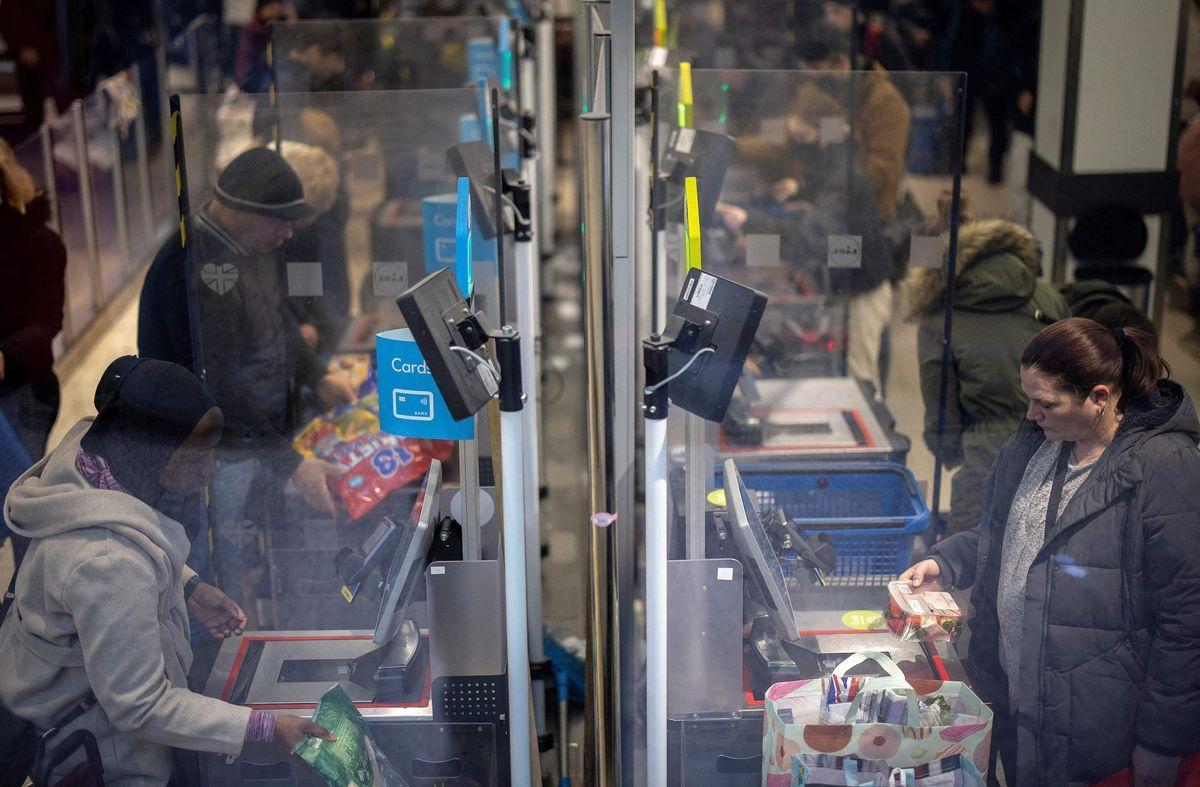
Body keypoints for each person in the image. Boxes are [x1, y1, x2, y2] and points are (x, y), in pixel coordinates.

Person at [0, 356, 334, 783]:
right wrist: (264, 728)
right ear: (151, 450)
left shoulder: (93, 455)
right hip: (110, 762)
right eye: (196, 456)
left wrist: (187, 584)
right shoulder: (106, 564)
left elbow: (121, 536)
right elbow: (141, 705)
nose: (209, 471)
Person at [902, 318, 1200, 785]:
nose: (1030, 413)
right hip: (1022, 704)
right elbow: (1010, 533)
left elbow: (1187, 620)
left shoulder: (1164, 468)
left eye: (1045, 402)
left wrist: (1163, 743)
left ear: (1100, 397)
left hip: (1100, 729)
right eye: (1028, 398)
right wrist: (948, 560)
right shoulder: (1040, 445)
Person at [139, 146, 356, 607]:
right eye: (280, 221)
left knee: (248, 555)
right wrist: (291, 462)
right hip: (212, 454)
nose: (288, 233)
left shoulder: (250, 246)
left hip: (251, 440)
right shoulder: (194, 268)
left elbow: (277, 317)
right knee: (221, 573)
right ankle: (220, 658)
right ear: (243, 211)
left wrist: (317, 375)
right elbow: (216, 387)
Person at [905, 218, 1067, 534]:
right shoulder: (1047, 296)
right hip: (1057, 446)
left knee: (966, 560)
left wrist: (950, 450)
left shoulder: (940, 316)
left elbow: (941, 408)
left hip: (986, 457)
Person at [0, 139, 66, 462]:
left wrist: (4, 358)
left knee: (12, 499)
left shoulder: (40, 244)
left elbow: (46, 320)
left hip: (22, 388)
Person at [279, 139, 351, 354]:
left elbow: (318, 276)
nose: (306, 223)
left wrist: (318, 325)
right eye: (303, 216)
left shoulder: (313, 229)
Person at [0, 0, 58, 134]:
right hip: (25, 59)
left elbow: (57, 23)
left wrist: (40, 50)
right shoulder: (12, 4)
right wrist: (20, 51)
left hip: (50, 58)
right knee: (32, 111)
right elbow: (5, 24)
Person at [233, 0, 298, 93]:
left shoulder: (273, 24)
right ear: (262, 8)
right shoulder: (255, 26)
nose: (276, 8)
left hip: (262, 73)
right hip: (250, 75)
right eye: (272, 5)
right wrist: (291, 21)